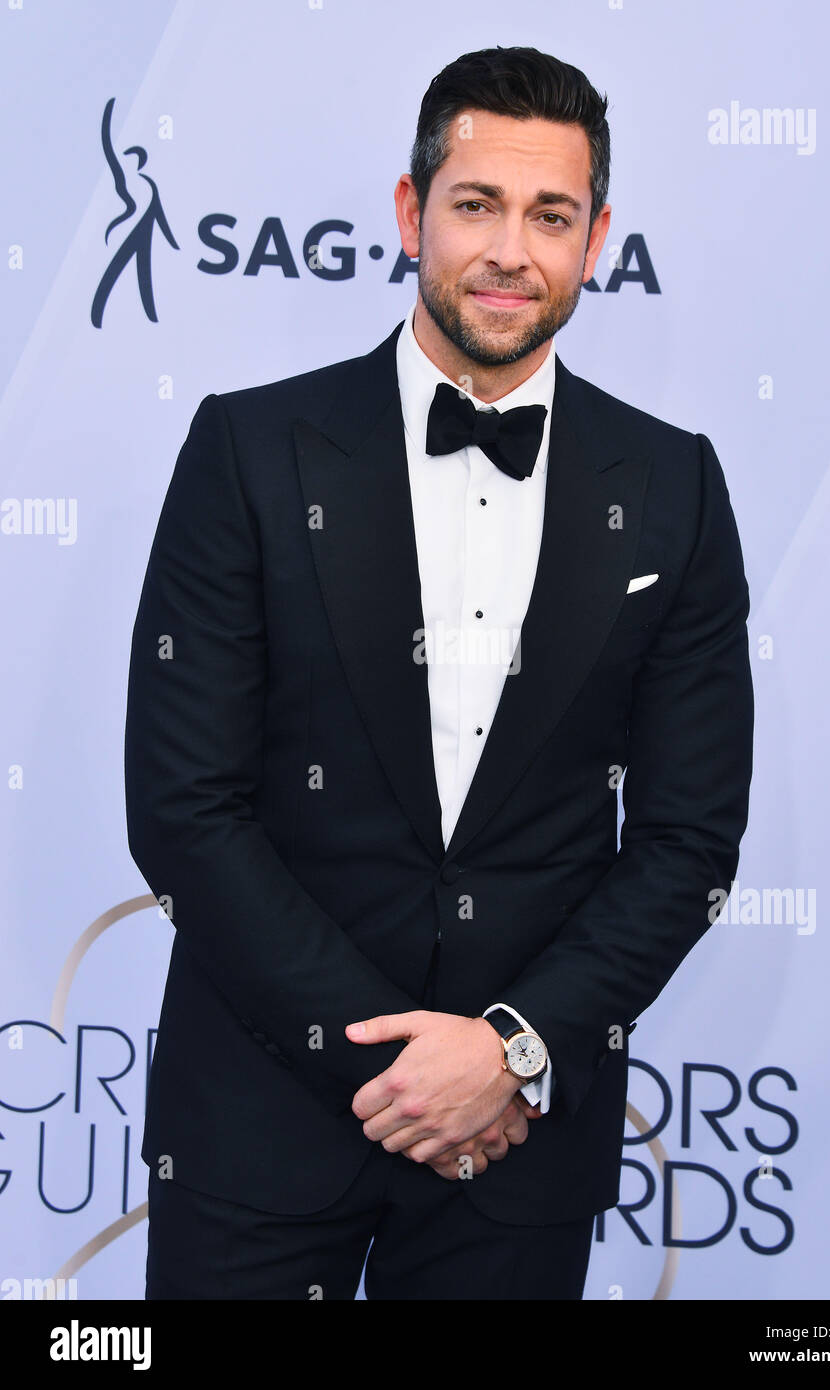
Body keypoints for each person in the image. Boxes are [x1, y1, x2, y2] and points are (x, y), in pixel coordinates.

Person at [125, 44, 754, 1301]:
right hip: (257, 1118)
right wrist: (403, 1070)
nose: (511, 250)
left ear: (596, 236)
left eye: (550, 215)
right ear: (413, 213)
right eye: (476, 205)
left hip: (517, 1152)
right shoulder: (249, 451)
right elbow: (184, 807)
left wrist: (509, 1054)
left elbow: (688, 838)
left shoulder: (673, 485)